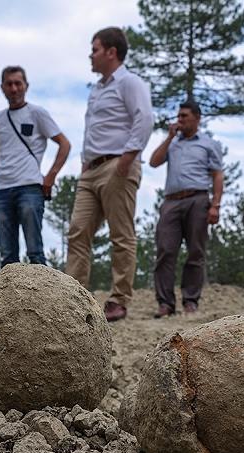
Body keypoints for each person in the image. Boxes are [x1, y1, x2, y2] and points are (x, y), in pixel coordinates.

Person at [65, 27, 154, 322]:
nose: (90, 55)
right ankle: (73, 297)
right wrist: (84, 163)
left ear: (111, 52)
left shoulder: (130, 82)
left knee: (121, 234)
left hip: (118, 165)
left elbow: (145, 119)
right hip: (90, 170)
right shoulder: (96, 90)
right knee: (77, 230)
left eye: (95, 49)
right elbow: (93, 130)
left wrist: (127, 159)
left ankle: (118, 299)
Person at [0, 66, 71, 267]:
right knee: (7, 257)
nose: (14, 89)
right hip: (2, 189)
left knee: (35, 252)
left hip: (30, 186)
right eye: (9, 84)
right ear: (2, 88)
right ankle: (9, 289)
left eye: (18, 83)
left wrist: (50, 176)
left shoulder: (37, 113)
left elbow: (64, 144)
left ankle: (43, 288)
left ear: (26, 86)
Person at [149, 100, 224, 317]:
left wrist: (215, 205)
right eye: (179, 115)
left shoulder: (209, 144)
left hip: (198, 199)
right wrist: (169, 137)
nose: (179, 119)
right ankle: (165, 303)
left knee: (195, 251)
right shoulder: (172, 143)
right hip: (171, 201)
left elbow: (217, 175)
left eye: (184, 116)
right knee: (165, 250)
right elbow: (154, 162)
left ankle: (190, 301)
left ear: (197, 118)